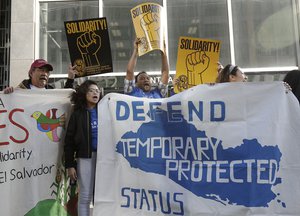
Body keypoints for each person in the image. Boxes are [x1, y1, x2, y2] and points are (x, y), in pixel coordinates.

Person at [64, 80, 102, 216]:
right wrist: (70, 165)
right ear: (84, 93)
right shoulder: (77, 114)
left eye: (97, 91)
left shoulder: (105, 112)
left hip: (105, 159)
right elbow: (68, 141)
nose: (95, 93)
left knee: (101, 197)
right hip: (85, 158)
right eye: (91, 90)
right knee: (85, 196)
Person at [3, 59, 77, 93]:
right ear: (31, 73)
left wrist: (70, 79)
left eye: (47, 71)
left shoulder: (53, 92)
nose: (44, 73)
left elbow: (66, 97)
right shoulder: (19, 92)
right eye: (41, 70)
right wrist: (7, 95)